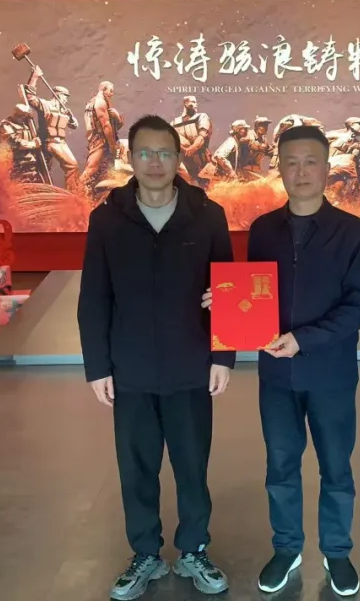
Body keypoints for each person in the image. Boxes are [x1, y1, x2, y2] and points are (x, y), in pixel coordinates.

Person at [204, 125, 360, 596]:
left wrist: (304, 339)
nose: (300, 172)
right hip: (277, 375)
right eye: (291, 162)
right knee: (280, 465)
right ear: (279, 167)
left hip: (331, 374)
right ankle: (287, 548)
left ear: (326, 167)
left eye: (310, 161)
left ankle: (337, 552)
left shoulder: (352, 232)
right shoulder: (264, 231)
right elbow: (256, 294)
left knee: (336, 467)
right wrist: (224, 300)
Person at [78, 114, 235, 601]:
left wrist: (223, 356)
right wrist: (97, 366)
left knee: (192, 467)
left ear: (178, 157)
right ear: (130, 158)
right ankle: (145, 552)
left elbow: (228, 290)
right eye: (144, 152)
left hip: (191, 367)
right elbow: (94, 297)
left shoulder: (207, 215)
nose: (154, 162)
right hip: (131, 371)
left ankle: (194, 549)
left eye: (164, 152)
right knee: (137, 469)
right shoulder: (107, 219)